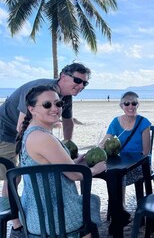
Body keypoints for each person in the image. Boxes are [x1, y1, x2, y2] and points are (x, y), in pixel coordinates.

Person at [0, 62, 91, 236]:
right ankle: (16, 222)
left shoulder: (64, 97)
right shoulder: (40, 90)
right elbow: (22, 127)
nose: (81, 86)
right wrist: (45, 147)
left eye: (84, 83)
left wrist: (66, 146)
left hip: (31, 132)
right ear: (63, 76)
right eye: (78, 80)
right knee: (13, 175)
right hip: (5, 130)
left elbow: (68, 122)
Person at [15, 85, 106, 237]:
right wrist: (96, 169)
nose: (55, 108)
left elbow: (53, 166)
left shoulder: (33, 131)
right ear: (32, 109)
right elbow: (74, 175)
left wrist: (74, 162)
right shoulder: (42, 137)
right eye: (47, 104)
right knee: (92, 201)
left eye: (58, 103)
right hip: (52, 217)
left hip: (36, 213)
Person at [99, 91, 151, 208]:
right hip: (120, 163)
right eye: (126, 103)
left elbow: (146, 152)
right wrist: (97, 149)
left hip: (140, 164)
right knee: (112, 174)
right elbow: (105, 141)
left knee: (118, 176)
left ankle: (119, 209)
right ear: (121, 106)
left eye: (134, 103)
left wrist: (131, 164)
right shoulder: (116, 122)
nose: (130, 106)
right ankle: (118, 208)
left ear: (138, 105)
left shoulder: (143, 122)